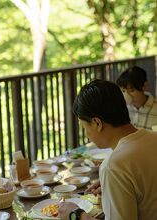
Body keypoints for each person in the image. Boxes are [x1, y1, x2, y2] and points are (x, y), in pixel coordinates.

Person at [58, 79, 157, 220]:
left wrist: (76, 215)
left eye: (84, 127)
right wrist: (115, 186)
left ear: (97, 123)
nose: (86, 134)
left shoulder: (114, 166)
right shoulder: (154, 137)